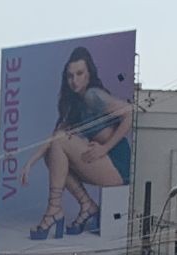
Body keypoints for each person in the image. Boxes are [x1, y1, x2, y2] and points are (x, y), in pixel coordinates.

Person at [20, 46, 133, 240]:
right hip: (103, 161)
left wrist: (105, 148)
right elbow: (54, 137)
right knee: (53, 153)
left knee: (61, 143)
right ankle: (86, 204)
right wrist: (31, 161)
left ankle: (54, 209)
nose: (75, 80)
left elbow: (129, 113)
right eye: (70, 75)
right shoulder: (74, 105)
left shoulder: (93, 96)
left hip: (118, 163)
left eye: (80, 73)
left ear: (89, 73)